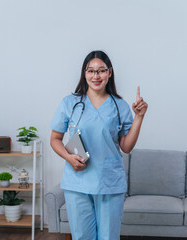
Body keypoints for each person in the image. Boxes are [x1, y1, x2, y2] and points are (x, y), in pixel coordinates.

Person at [50, 50, 148, 240]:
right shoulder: (69, 103)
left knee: (108, 237)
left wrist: (139, 117)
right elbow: (55, 139)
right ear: (84, 73)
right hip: (77, 182)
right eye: (91, 71)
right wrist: (68, 157)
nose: (96, 76)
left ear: (109, 73)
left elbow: (126, 147)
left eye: (101, 71)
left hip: (109, 182)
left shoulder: (119, 106)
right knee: (82, 237)